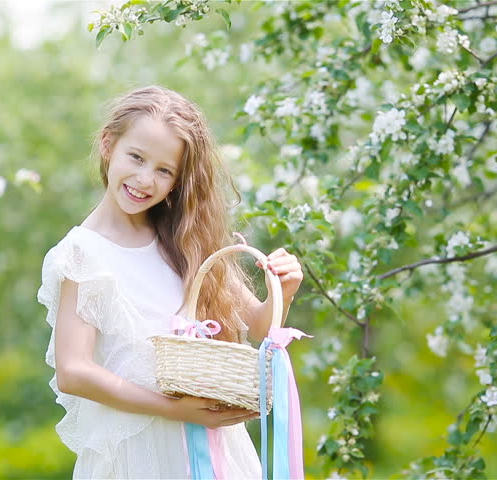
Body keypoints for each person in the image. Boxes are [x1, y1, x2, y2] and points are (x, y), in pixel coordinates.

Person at [36, 85, 304, 478]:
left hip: (215, 451)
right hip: (139, 453)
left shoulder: (186, 241)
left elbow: (260, 325)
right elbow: (73, 371)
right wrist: (174, 410)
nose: (145, 179)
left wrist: (285, 290)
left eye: (164, 170)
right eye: (136, 157)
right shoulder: (83, 253)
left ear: (178, 181)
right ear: (109, 145)